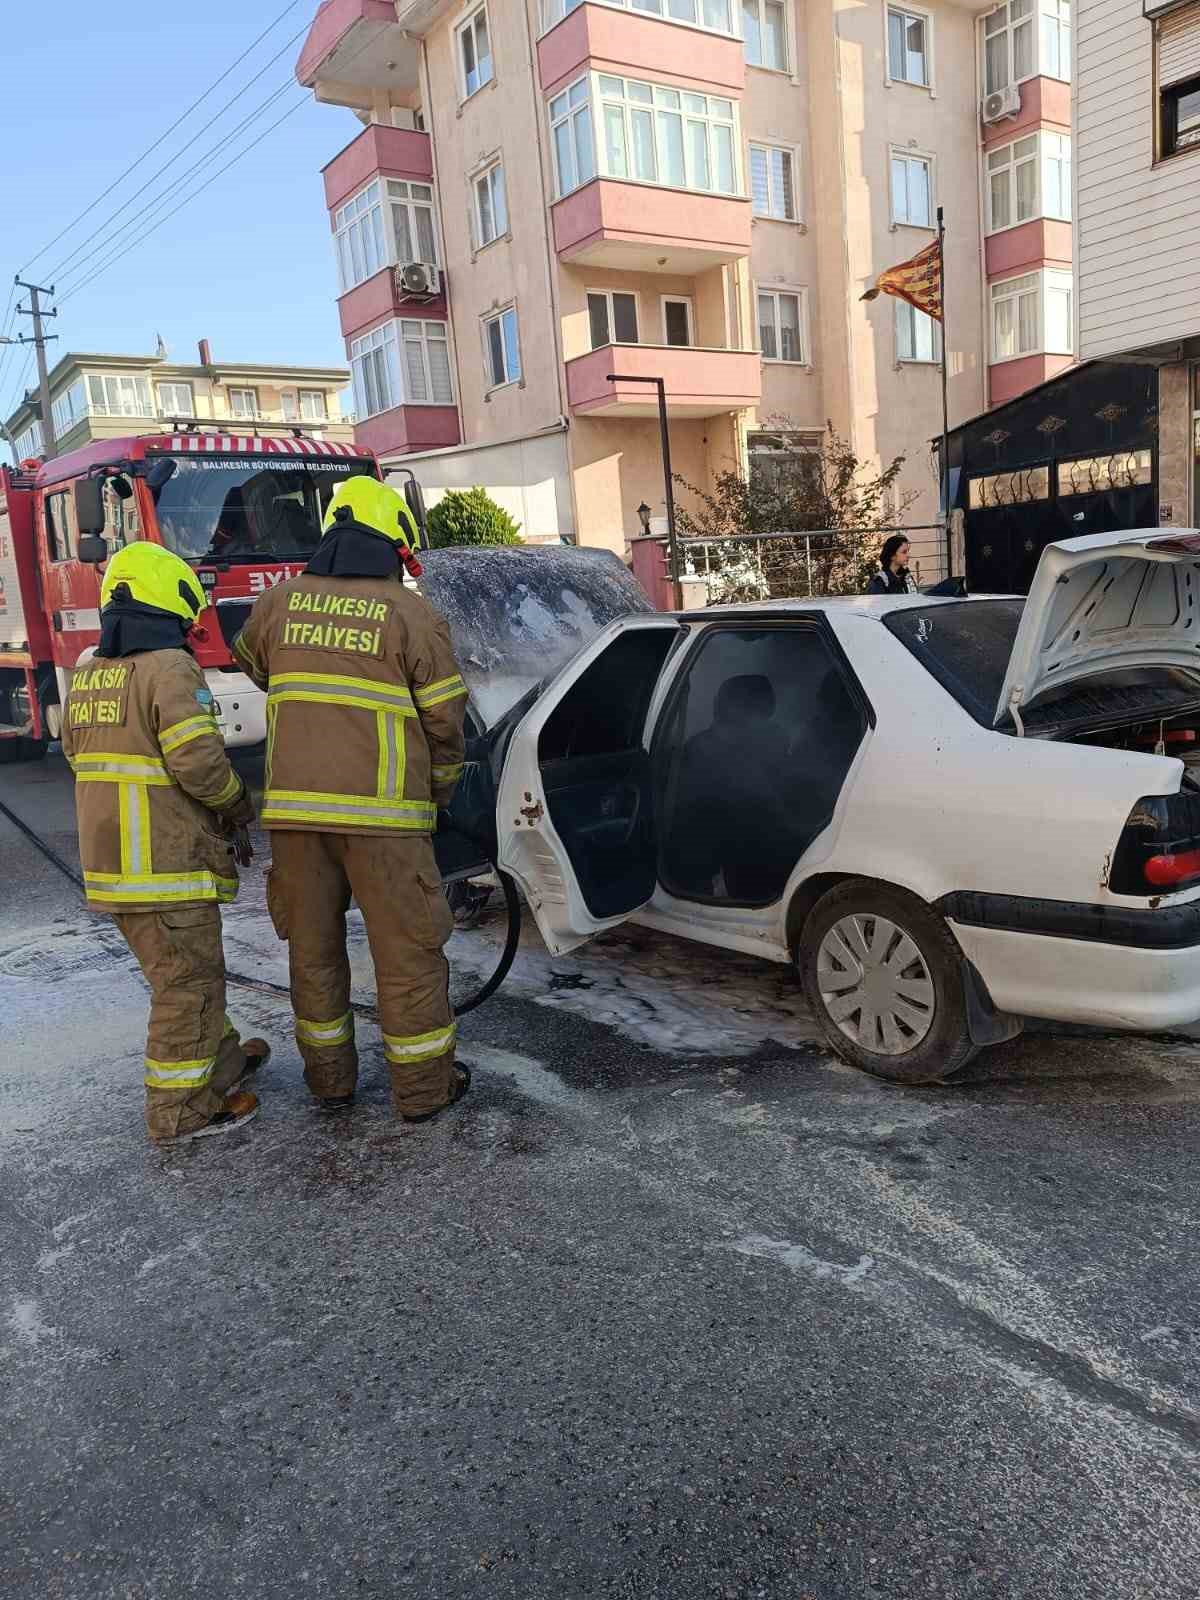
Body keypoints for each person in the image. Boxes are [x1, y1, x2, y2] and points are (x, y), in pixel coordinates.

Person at [233, 476, 470, 1123]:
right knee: (407, 959)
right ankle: (423, 1094)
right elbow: (446, 721)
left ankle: (330, 1085)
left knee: (312, 956)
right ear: (395, 544)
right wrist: (441, 795)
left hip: (295, 820)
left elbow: (254, 665)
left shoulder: (278, 605)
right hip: (386, 824)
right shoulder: (411, 614)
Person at [61, 544, 268, 1146]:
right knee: (188, 987)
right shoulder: (169, 670)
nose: (189, 631)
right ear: (169, 612)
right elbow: (200, 765)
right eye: (186, 622)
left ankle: (222, 1065)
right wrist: (238, 808)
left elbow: (79, 754)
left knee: (181, 974)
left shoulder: (90, 670)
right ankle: (180, 1111)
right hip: (167, 865)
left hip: (114, 869)